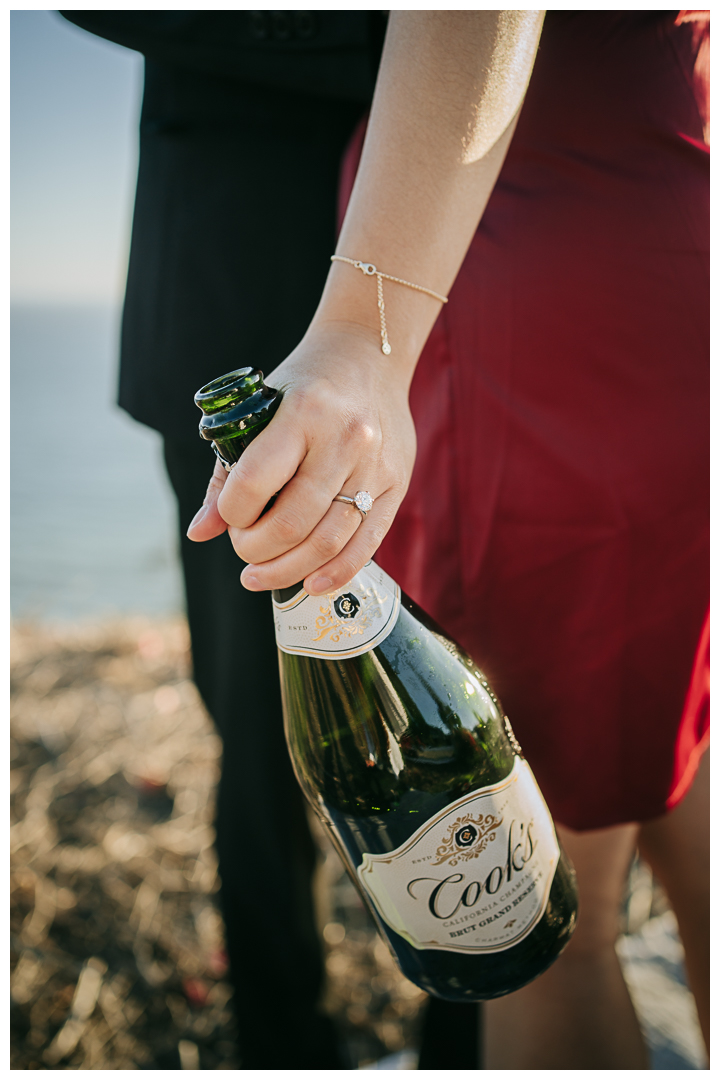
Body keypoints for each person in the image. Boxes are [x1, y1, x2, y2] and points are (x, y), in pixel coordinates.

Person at [190, 11, 709, 1068]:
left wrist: (355, 338)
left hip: (510, 220)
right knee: (680, 762)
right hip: (656, 162)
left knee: (556, 921)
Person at [59, 9, 482, 1070]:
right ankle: (284, 1045)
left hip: (478, 267)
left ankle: (470, 1033)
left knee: (473, 697)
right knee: (259, 730)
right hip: (230, 277)